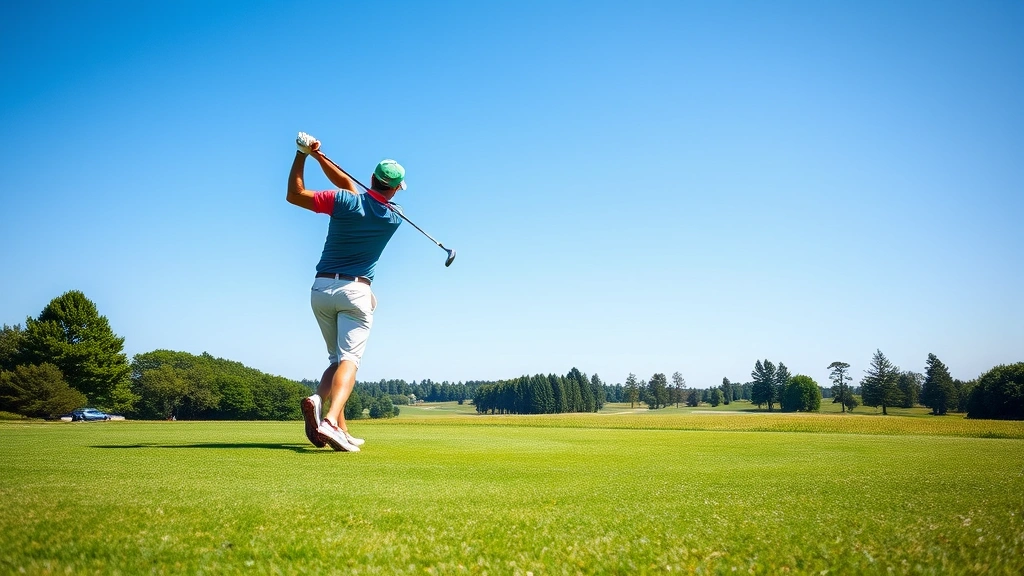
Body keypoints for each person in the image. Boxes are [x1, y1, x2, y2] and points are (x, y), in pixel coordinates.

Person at [286, 132, 405, 452]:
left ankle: (335, 421)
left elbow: (295, 195)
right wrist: (318, 155)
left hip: (321, 289)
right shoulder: (394, 217)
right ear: (394, 189)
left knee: (337, 360)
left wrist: (304, 155)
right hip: (355, 292)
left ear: (370, 179)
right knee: (350, 361)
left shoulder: (343, 202)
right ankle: (329, 419)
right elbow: (351, 188)